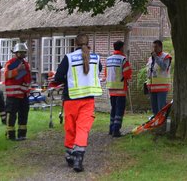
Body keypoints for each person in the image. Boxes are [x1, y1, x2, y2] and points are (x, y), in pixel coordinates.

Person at [52, 33, 102, 172]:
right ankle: (79, 158)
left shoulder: (69, 58)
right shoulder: (96, 58)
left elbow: (58, 77)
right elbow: (97, 72)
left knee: (70, 127)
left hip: (71, 98)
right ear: (88, 43)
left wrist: (64, 81)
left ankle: (70, 155)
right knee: (82, 128)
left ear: (75, 44)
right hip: (88, 99)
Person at [4, 42, 32, 141]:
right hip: (13, 95)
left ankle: (22, 134)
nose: (23, 54)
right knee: (11, 115)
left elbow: (27, 77)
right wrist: (17, 70)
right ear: (16, 53)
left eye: (24, 52)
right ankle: (10, 135)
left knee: (23, 114)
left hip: (23, 94)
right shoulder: (10, 63)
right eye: (21, 52)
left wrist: (27, 87)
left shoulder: (26, 64)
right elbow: (7, 75)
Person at [105, 40, 132, 137]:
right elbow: (127, 74)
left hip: (111, 88)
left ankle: (111, 128)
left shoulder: (108, 59)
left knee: (113, 108)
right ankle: (116, 130)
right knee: (120, 109)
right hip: (120, 88)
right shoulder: (123, 59)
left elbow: (106, 73)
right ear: (121, 48)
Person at [146, 40, 172, 116]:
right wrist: (147, 83)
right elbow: (149, 71)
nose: (154, 49)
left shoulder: (166, 56)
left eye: (156, 47)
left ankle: (162, 124)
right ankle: (156, 124)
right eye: (153, 47)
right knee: (154, 109)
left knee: (161, 108)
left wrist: (156, 57)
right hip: (152, 87)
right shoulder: (150, 58)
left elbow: (164, 67)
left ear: (161, 47)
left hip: (162, 87)